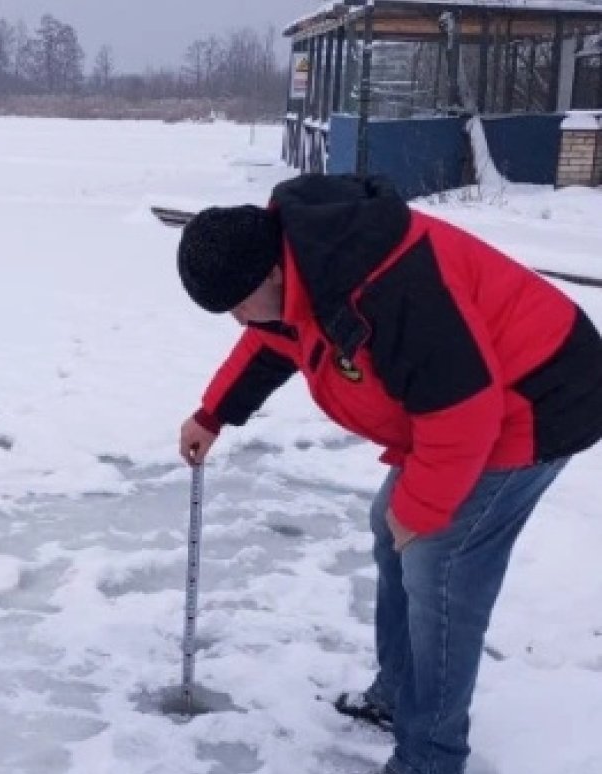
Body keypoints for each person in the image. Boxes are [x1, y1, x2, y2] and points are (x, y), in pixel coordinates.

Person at [174, 174, 602, 774]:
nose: (239, 320)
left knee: (439, 561)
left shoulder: (385, 286)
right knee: (392, 523)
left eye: (238, 304)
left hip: (539, 395)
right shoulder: (304, 265)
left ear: (270, 273)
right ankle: (400, 694)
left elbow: (463, 413)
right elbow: (276, 341)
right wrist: (213, 414)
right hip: (473, 394)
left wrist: (422, 513)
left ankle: (430, 757)